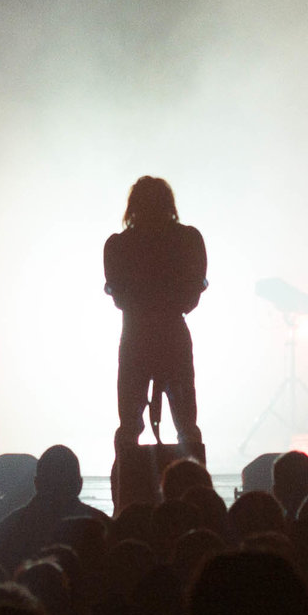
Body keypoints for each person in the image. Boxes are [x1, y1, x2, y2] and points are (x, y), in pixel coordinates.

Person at [103, 176, 209, 465]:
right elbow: (193, 294)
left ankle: (124, 495)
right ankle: (192, 491)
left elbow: (119, 296)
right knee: (186, 424)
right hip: (173, 334)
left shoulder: (117, 245)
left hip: (135, 336)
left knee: (129, 426)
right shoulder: (189, 239)